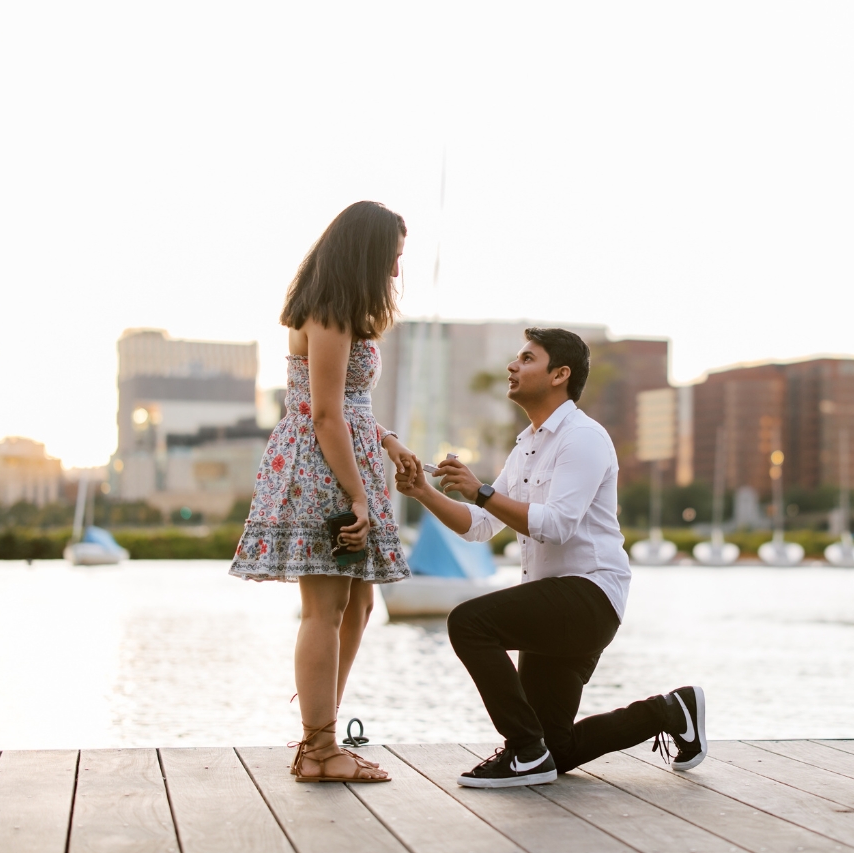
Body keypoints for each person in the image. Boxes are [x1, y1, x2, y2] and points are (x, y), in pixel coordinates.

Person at [396, 327, 706, 788]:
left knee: (468, 623)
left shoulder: (583, 438)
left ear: (560, 374)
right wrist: (423, 492)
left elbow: (557, 523)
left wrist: (481, 491)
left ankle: (522, 749)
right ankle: (669, 710)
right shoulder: (526, 446)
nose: (512, 366)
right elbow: (480, 526)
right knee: (555, 750)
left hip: (590, 596)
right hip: (552, 607)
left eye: (526, 358)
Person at [231, 201, 417, 783]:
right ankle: (317, 749)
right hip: (325, 469)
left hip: (348, 459)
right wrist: (358, 496)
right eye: (390, 257)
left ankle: (321, 740)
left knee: (358, 605)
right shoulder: (330, 312)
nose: (393, 271)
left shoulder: (345, 311)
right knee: (325, 608)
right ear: (364, 252)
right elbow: (324, 415)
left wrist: (386, 440)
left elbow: (350, 408)